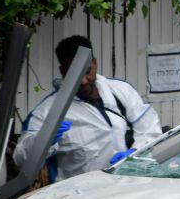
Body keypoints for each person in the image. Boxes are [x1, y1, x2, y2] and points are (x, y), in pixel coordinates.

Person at [13, 35, 163, 181]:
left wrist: (135, 154)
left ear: (95, 63)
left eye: (87, 71)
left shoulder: (120, 91)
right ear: (63, 71)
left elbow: (150, 129)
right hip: (79, 196)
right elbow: (20, 158)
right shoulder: (47, 111)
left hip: (125, 186)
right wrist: (44, 138)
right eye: (75, 74)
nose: (84, 81)